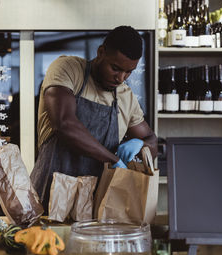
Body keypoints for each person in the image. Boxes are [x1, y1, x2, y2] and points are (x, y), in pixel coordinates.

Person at [31, 26, 158, 208]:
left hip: (96, 205)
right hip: (50, 197)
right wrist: (112, 160)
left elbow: (151, 140)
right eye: (115, 68)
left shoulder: (125, 96)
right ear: (101, 52)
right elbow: (64, 124)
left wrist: (141, 146)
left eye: (129, 72)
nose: (121, 78)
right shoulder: (69, 69)